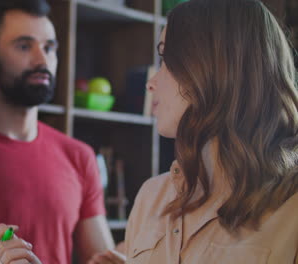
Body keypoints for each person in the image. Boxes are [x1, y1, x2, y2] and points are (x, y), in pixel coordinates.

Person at [87, 0, 298, 263]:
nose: (151, 83)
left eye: (166, 60)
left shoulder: (291, 209)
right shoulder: (151, 197)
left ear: (217, 68)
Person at [0, 0, 115, 263]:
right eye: (24, 46)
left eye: (49, 47)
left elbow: (102, 257)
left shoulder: (79, 156)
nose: (42, 60)